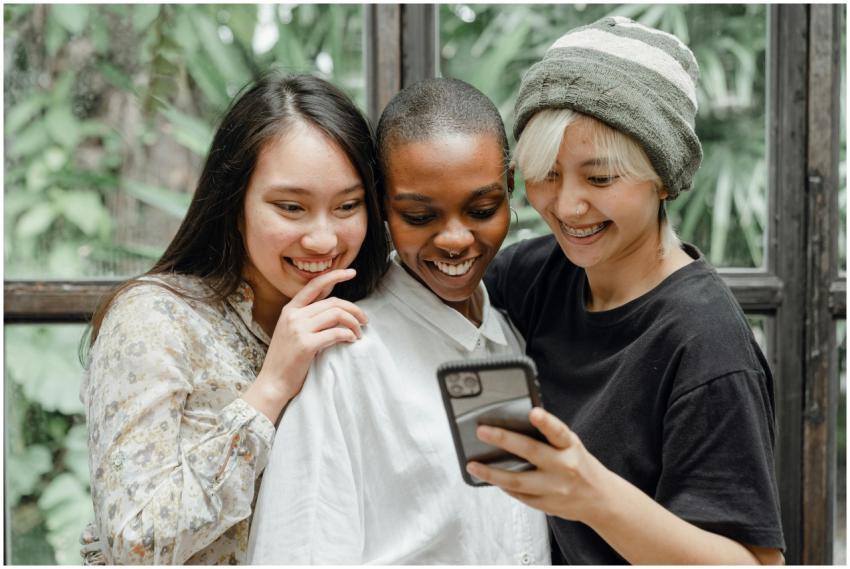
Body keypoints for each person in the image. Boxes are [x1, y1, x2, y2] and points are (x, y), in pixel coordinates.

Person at [473, 16, 786, 564]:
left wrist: (592, 496)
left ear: (663, 178)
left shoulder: (707, 344)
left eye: (600, 179)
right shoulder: (535, 274)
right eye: (547, 173)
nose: (567, 206)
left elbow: (754, 563)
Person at [79, 73, 389, 564]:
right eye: (292, 207)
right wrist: (270, 389)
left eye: (348, 206)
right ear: (235, 204)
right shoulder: (154, 320)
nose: (324, 239)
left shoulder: (368, 322)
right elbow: (133, 544)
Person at [247, 78, 550, 564]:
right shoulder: (347, 355)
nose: (455, 239)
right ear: (381, 204)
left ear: (510, 187)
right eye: (419, 216)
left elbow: (505, 535)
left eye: (481, 209)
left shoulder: (505, 337)